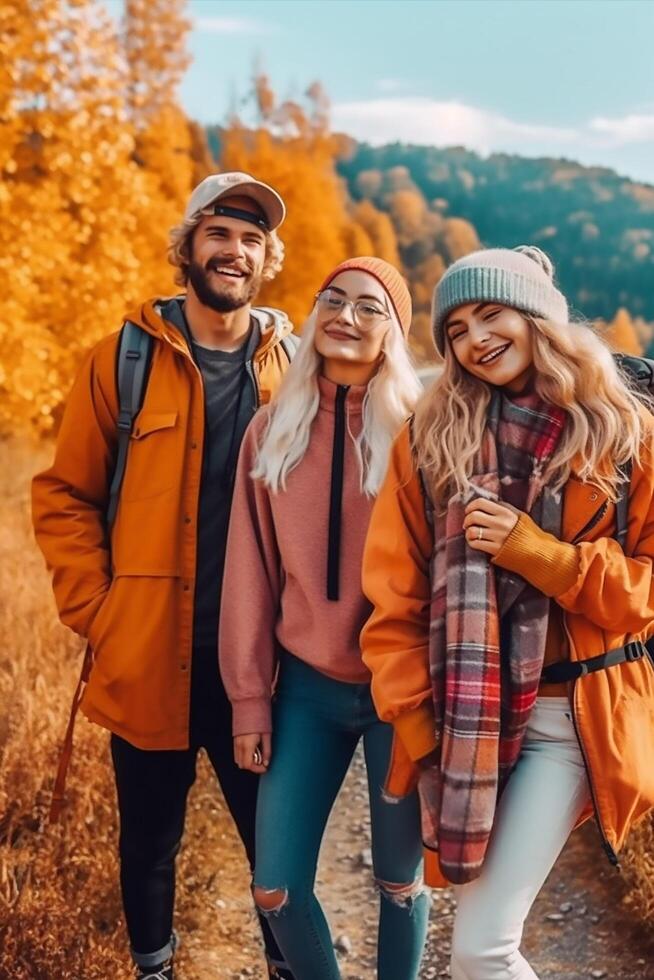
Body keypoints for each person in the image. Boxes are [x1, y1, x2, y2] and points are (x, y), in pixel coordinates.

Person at [361, 245, 654, 980]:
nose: (474, 338)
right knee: (482, 941)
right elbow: (393, 598)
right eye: (455, 327)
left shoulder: (625, 430)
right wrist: (419, 721)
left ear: (537, 318)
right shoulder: (431, 440)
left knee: (482, 947)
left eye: (491, 313)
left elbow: (646, 592)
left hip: (572, 721)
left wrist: (543, 555)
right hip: (469, 721)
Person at [32, 172, 298, 980]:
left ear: (266, 260)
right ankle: (155, 970)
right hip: (146, 653)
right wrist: (99, 610)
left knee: (276, 846)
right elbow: (65, 494)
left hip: (258, 664)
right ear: (187, 247)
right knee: (148, 840)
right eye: (219, 234)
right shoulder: (123, 358)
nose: (235, 251)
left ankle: (288, 968)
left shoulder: (292, 369)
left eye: (252, 240)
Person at [219, 257, 429, 980]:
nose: (345, 315)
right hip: (305, 688)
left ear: (393, 332)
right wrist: (250, 698)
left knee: (399, 884)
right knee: (275, 887)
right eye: (332, 299)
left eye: (369, 307)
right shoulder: (271, 430)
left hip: (398, 690)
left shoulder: (420, 434)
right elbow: (248, 573)